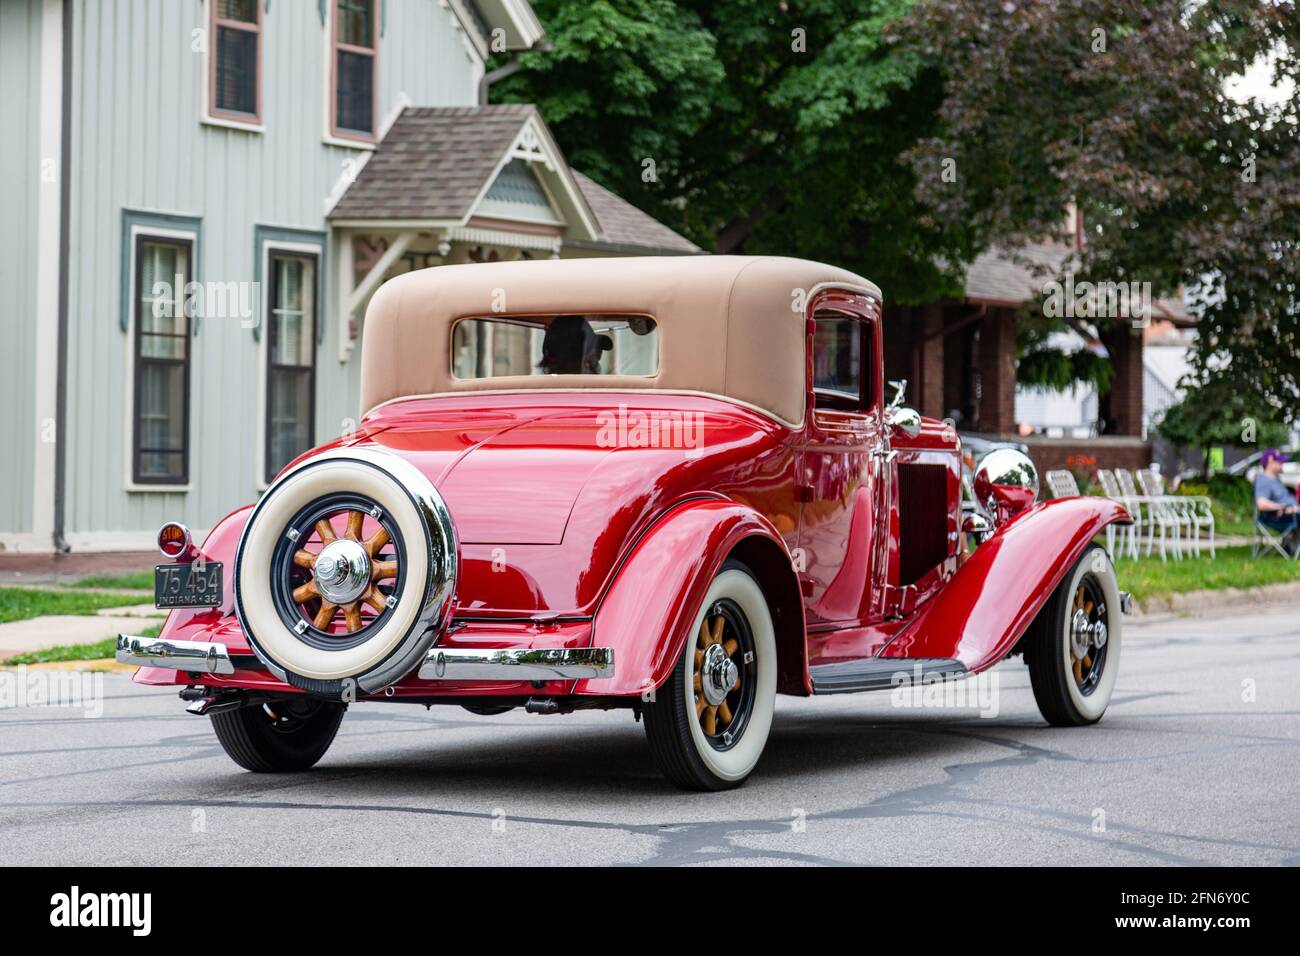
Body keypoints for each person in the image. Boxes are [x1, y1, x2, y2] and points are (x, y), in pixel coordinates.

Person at [1253, 449, 1299, 553]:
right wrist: (1283, 507)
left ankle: (1292, 545)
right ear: (1270, 462)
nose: (1282, 463)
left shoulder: (1276, 479)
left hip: (1292, 513)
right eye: (1279, 461)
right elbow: (1261, 504)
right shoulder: (1264, 480)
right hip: (1280, 517)